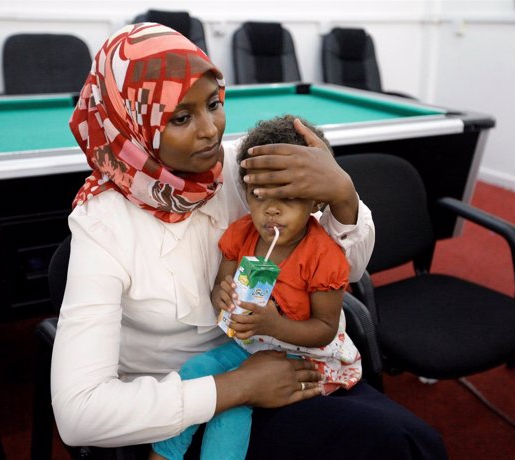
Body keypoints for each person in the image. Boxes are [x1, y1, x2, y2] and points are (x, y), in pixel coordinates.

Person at [51, 22, 447, 459]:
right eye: (181, 118)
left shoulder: (242, 168)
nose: (210, 131)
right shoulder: (101, 223)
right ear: (134, 125)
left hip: (281, 354)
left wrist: (342, 195)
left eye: (215, 104)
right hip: (177, 405)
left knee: (410, 443)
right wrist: (236, 387)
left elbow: (345, 269)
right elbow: (78, 413)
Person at [150, 116, 362, 460]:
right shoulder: (241, 234)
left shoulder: (325, 257)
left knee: (232, 403)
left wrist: (274, 325)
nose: (272, 210)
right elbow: (223, 286)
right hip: (253, 344)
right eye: (258, 196)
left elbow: (324, 331)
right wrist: (222, 296)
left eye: (290, 198)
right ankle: (164, 455)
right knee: (191, 374)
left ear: (316, 202)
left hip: (306, 355)